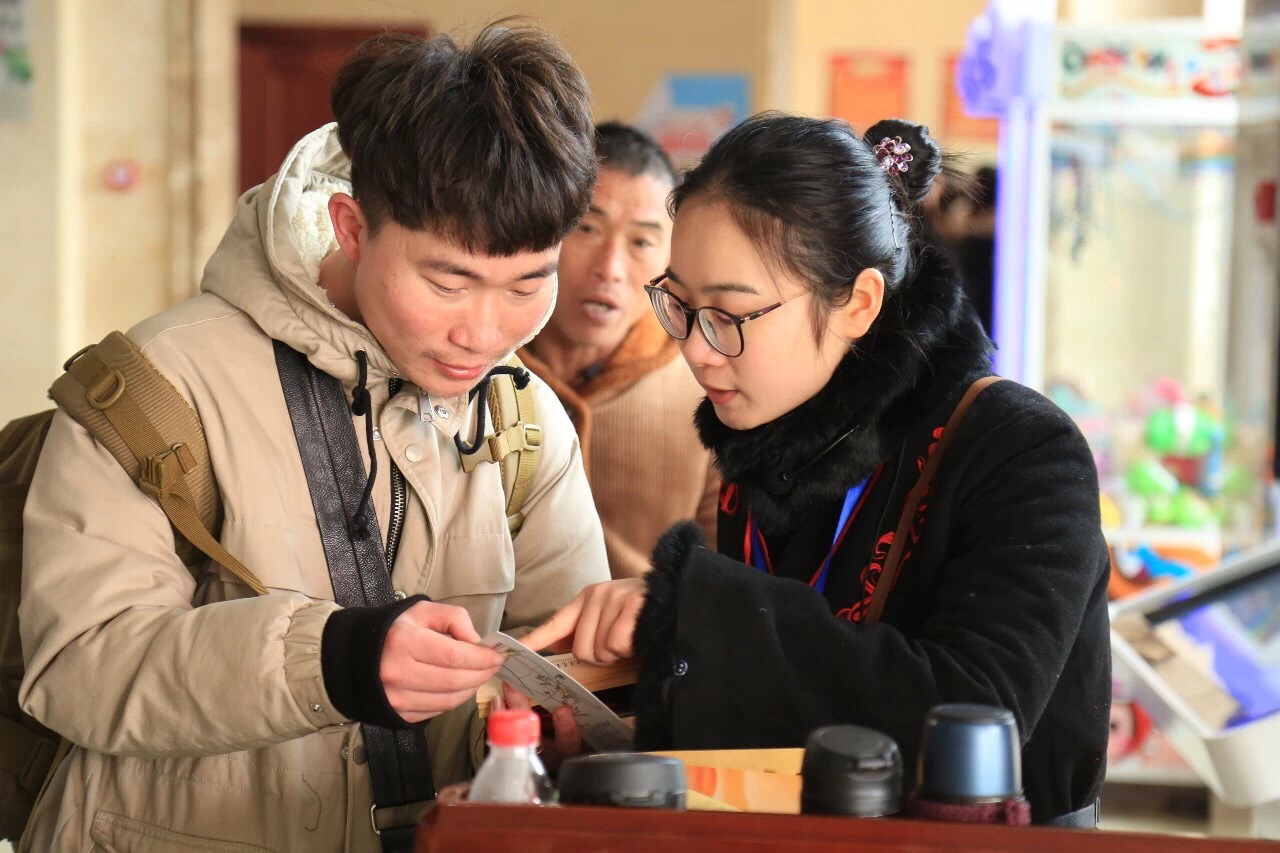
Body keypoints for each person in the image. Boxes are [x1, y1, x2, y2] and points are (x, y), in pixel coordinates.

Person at [19, 24, 607, 852]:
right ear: (351, 227)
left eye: (526, 286)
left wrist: (550, 731)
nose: (483, 332)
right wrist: (330, 660)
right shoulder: (159, 385)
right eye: (448, 281)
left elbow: (561, 677)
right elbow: (79, 666)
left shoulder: (525, 419)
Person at [524, 114, 1112, 826]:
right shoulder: (770, 437)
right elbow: (777, 713)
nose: (696, 350)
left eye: (731, 314)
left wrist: (691, 609)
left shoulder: (1021, 448)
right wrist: (617, 738)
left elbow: (976, 718)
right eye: (680, 305)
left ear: (858, 303)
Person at [520, 122, 718, 578]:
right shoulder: (478, 363)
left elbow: (723, 576)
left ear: (671, 260)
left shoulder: (707, 388)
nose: (610, 268)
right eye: (587, 228)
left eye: (642, 241)